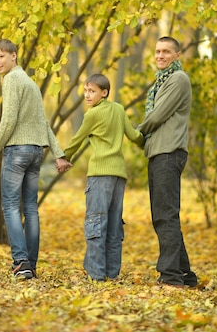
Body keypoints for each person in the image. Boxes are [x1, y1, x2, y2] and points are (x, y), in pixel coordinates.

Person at [0, 38, 72, 280]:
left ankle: (21, 262)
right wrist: (59, 153)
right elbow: (43, 123)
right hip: (35, 152)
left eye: (1, 56)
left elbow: (8, 121)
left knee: (10, 206)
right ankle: (31, 263)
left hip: (17, 152)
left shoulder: (11, 80)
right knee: (30, 209)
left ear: (14, 56)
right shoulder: (30, 83)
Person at [63, 74, 144, 281]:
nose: (87, 95)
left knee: (96, 223)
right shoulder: (119, 109)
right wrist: (148, 145)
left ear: (104, 92)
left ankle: (96, 275)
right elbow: (135, 136)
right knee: (114, 225)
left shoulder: (92, 115)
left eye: (92, 91)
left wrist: (64, 158)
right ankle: (111, 274)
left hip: (100, 174)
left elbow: (77, 139)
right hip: (118, 175)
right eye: (85, 91)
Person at [137, 36, 199, 289]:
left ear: (178, 55)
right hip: (159, 152)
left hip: (168, 153)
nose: (160, 55)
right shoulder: (162, 81)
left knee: (165, 216)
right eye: (157, 51)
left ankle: (170, 276)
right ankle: (185, 276)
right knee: (163, 215)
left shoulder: (178, 79)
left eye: (166, 52)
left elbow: (157, 115)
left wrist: (136, 133)